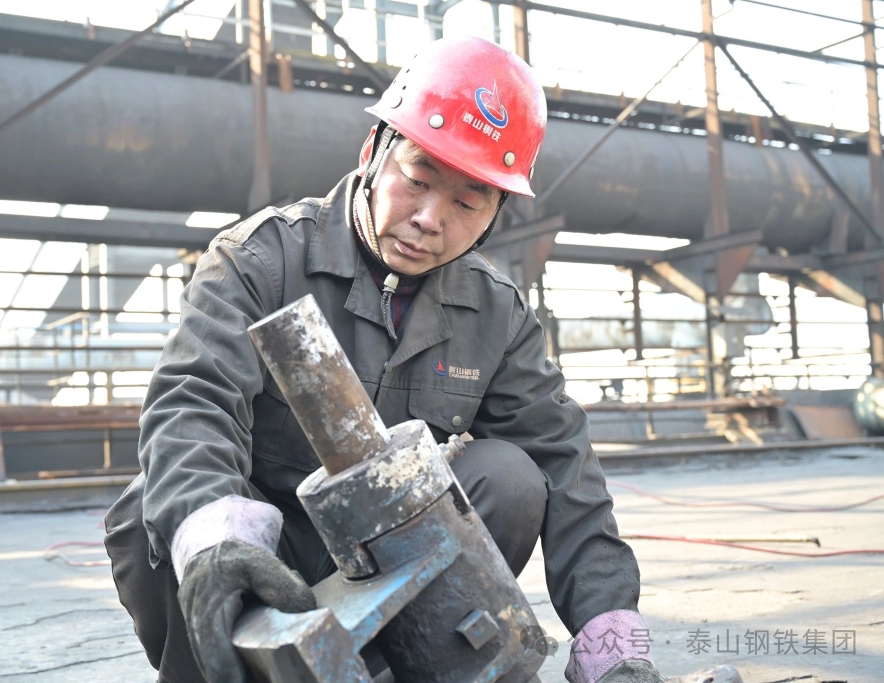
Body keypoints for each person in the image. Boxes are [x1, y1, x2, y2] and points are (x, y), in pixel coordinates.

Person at [105, 35, 665, 683]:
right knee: (157, 506)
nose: (430, 218)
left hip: (397, 568)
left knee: (510, 478)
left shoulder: (496, 314)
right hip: (268, 564)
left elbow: (566, 469)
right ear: (373, 151)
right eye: (418, 179)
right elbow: (193, 403)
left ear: (495, 212)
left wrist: (614, 645)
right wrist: (217, 543)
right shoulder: (260, 261)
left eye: (466, 202)